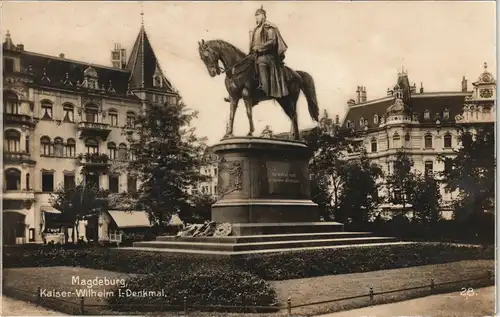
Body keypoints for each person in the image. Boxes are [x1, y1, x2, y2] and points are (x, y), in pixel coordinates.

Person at [249, 6, 289, 98]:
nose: (256, 17)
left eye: (258, 15)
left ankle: (264, 89)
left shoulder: (269, 27)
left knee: (261, 63)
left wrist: (259, 47)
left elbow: (272, 42)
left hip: (268, 56)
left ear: (263, 16)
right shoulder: (255, 29)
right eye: (255, 15)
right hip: (256, 55)